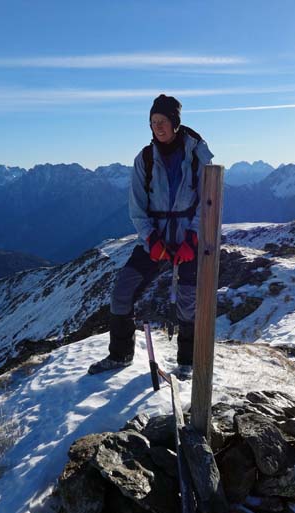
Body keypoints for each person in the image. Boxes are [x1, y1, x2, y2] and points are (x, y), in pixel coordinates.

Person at [88, 94, 214, 378]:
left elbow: (209, 200)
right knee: (122, 292)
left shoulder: (197, 158)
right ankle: (120, 355)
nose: (158, 127)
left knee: (188, 300)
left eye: (163, 121)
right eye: (153, 122)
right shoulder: (144, 159)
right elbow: (137, 207)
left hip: (187, 238)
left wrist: (193, 238)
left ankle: (187, 362)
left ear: (175, 123)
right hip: (154, 239)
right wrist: (151, 240)